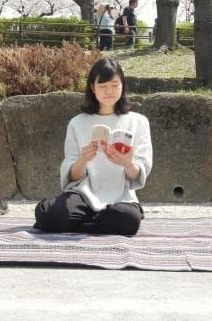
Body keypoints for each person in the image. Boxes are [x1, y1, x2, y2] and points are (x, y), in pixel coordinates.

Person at [34, 58, 153, 236]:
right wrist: (83, 160)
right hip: (83, 195)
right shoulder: (77, 123)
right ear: (92, 87)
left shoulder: (138, 122)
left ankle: (82, 223)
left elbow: (138, 174)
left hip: (121, 196)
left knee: (128, 220)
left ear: (123, 85)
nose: (109, 92)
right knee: (50, 216)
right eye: (103, 86)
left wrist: (127, 163)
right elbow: (72, 176)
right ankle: (94, 222)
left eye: (114, 85)